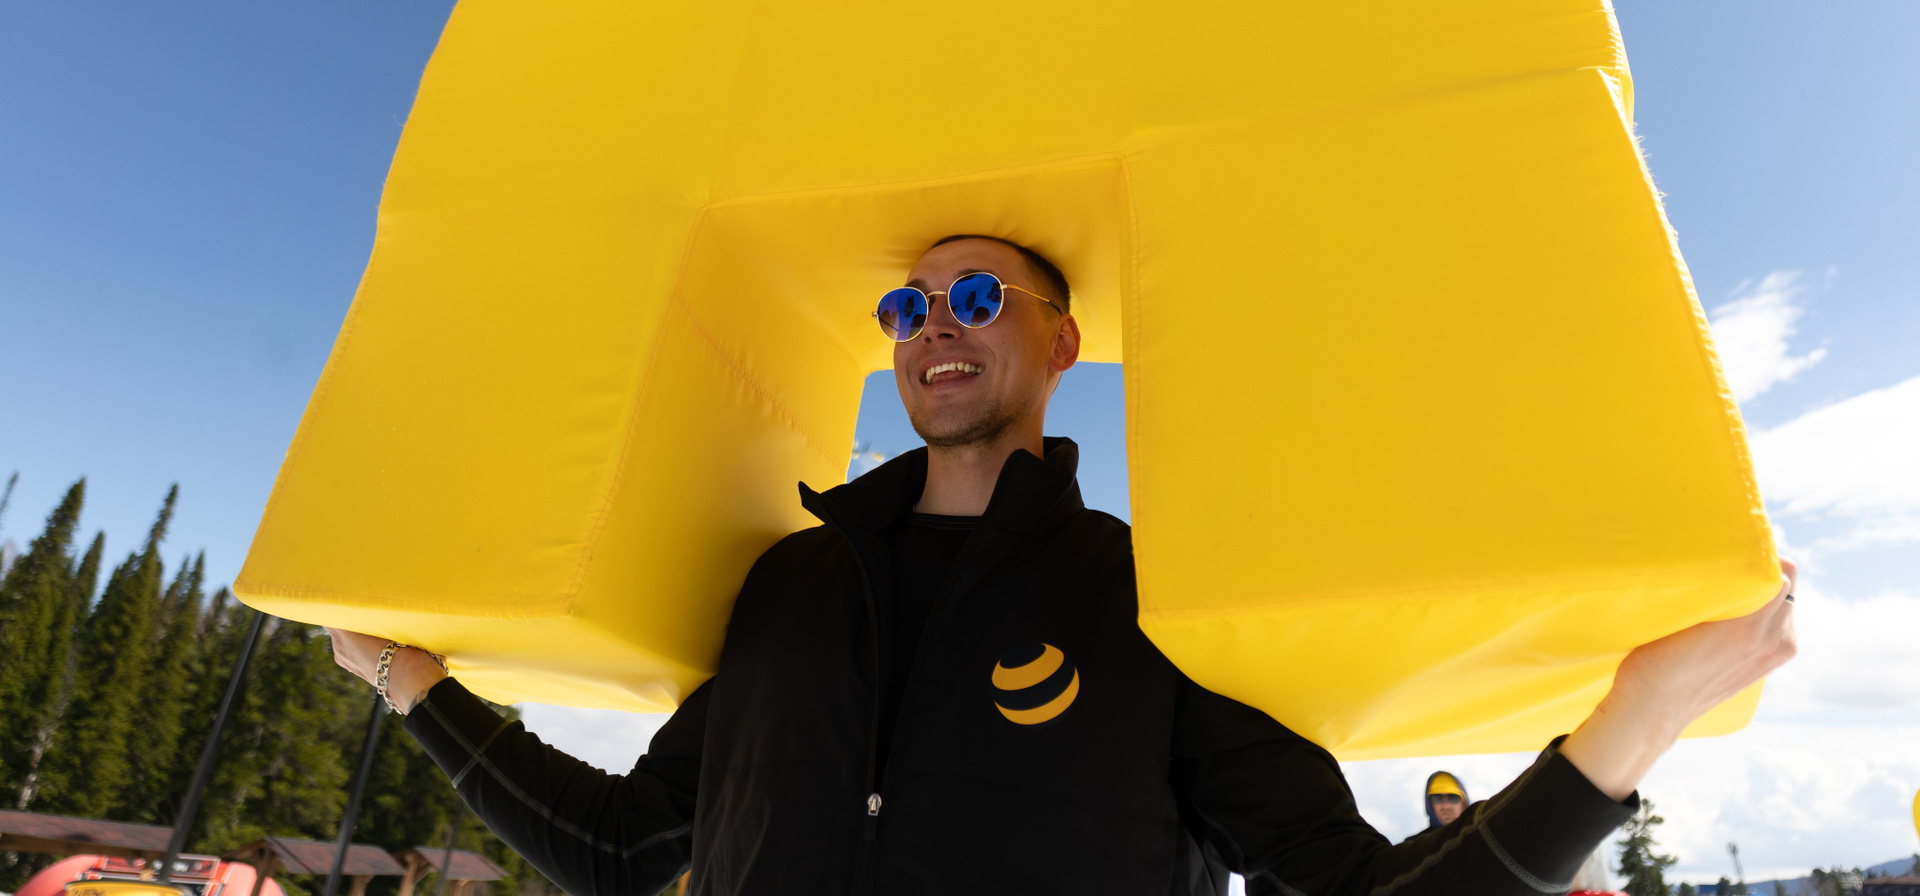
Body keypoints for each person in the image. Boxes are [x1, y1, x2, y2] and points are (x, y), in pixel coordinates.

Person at [328, 234, 1798, 896]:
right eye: (907, 304)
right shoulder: (791, 587)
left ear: (1062, 341)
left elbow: (1358, 887)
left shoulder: (1146, 598)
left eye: (979, 294)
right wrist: (408, 681)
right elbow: (618, 847)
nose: (934, 323)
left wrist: (1633, 724)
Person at [1410, 771, 1469, 838]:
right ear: (1429, 804)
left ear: (1464, 803)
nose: (1446, 806)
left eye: (1453, 798)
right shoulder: (1413, 843)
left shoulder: (1477, 838)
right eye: (1437, 798)